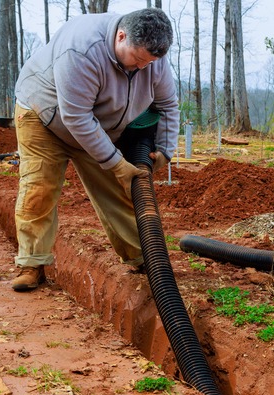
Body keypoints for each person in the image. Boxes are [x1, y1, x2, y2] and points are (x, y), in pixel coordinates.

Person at [10, 8, 179, 291]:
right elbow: (76, 117)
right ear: (121, 37)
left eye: (148, 62)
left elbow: (168, 105)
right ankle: (31, 264)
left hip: (95, 123)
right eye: (138, 59)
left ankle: (145, 257)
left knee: (118, 188)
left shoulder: (152, 61)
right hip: (43, 115)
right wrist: (116, 162)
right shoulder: (82, 49)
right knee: (39, 188)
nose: (142, 67)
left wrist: (165, 148)